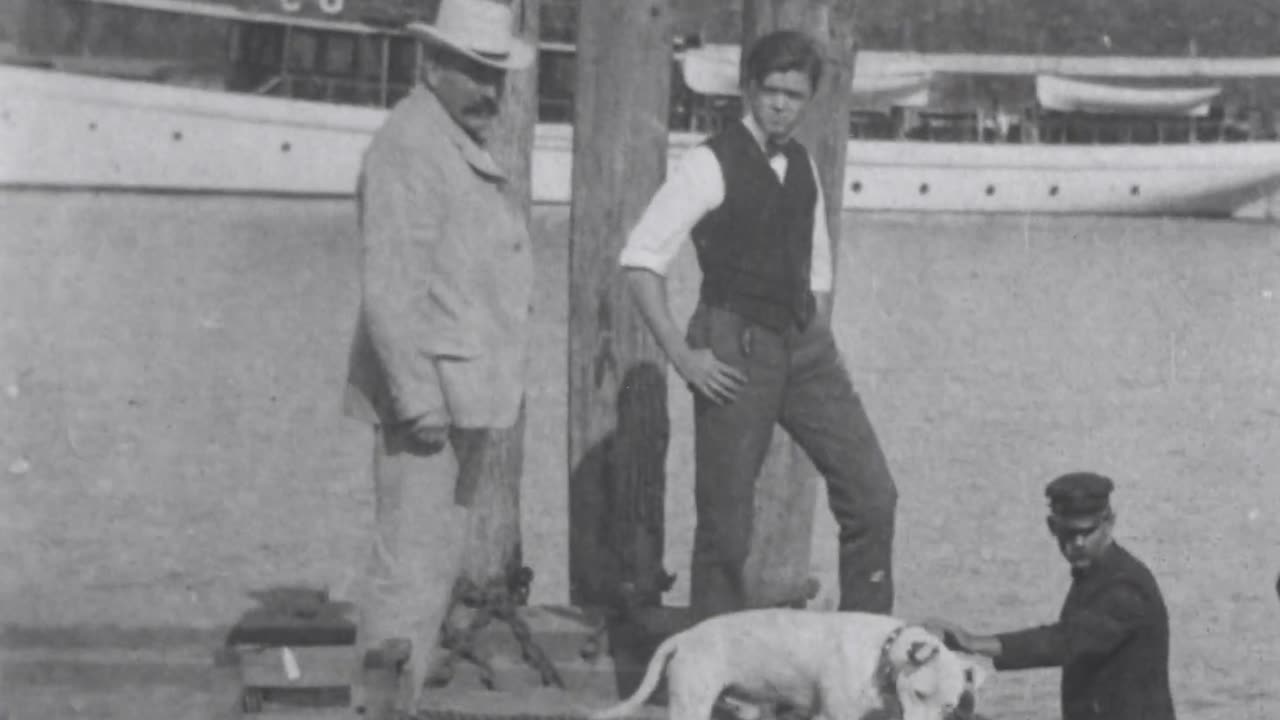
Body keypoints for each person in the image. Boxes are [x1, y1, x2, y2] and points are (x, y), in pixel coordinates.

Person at [619, 29, 898, 619]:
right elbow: (642, 261)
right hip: (732, 345)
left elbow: (819, 269)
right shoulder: (707, 163)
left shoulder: (802, 164)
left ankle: (867, 655)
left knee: (873, 496)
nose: (780, 105)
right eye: (770, 90)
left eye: (794, 95)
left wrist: (810, 342)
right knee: (725, 527)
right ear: (747, 89)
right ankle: (713, 687)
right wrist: (684, 356)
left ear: (809, 100)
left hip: (802, 344)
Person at [341, 0, 535, 712]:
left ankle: (396, 706)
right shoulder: (409, 146)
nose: (490, 91)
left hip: (462, 397)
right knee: (405, 579)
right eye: (475, 73)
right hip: (427, 401)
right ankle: (379, 711)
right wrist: (416, 395)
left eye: (498, 76)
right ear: (433, 66)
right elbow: (389, 286)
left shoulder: (446, 139)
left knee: (426, 575)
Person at [925, 472, 1177, 720]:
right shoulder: (1094, 575)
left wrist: (973, 642)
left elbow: (1064, 641)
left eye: (1087, 532)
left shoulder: (1126, 586)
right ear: (1052, 527)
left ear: (1109, 523)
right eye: (1069, 533)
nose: (1078, 543)